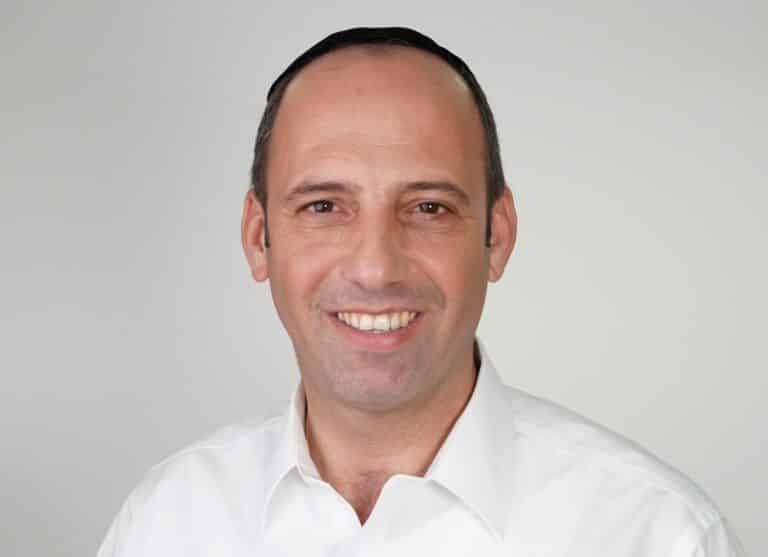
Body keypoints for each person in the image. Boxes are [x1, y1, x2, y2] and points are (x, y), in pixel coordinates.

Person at [97, 27, 745, 556]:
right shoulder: (166, 522)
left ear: (496, 235)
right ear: (258, 238)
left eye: (429, 207)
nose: (376, 267)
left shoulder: (658, 535)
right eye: (324, 206)